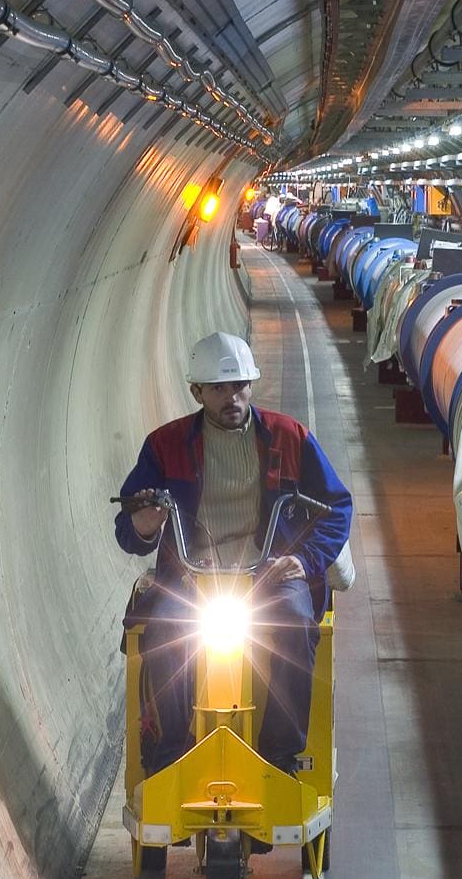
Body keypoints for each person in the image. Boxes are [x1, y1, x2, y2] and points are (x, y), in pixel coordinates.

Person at [115, 332, 353, 775]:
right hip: (192, 579)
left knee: (296, 623)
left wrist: (305, 561)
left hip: (268, 576)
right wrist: (143, 526)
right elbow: (129, 528)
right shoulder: (164, 446)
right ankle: (170, 752)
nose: (232, 397)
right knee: (164, 631)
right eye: (219, 388)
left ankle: (280, 755)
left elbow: (337, 506)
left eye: (240, 385)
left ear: (251, 385)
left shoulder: (289, 437)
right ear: (196, 392)